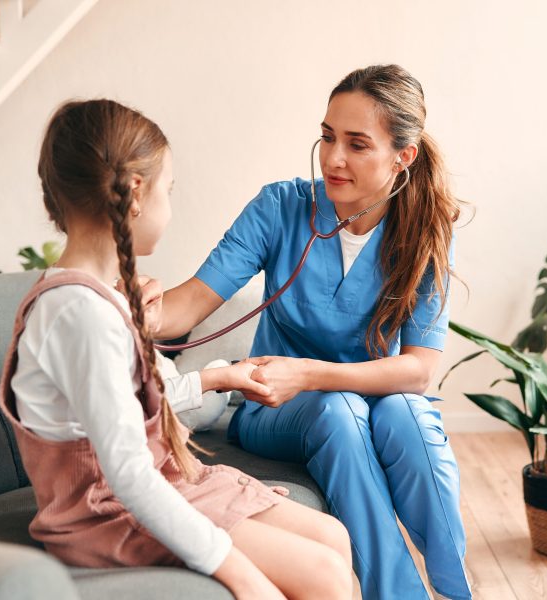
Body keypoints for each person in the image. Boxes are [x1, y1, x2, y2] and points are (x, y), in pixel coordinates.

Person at [0, 99, 353, 600]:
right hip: (106, 515)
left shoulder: (95, 299)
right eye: (170, 189)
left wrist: (218, 382)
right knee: (325, 574)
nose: (171, 204)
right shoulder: (79, 315)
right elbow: (130, 479)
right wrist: (240, 571)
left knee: (332, 538)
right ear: (136, 193)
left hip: (145, 488)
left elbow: (140, 399)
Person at [157, 65, 472, 600]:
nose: (333, 158)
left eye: (356, 144)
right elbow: (186, 306)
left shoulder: (423, 231)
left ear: (404, 155)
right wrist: (103, 304)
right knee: (338, 411)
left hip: (373, 403)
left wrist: (309, 374)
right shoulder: (279, 208)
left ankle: (454, 588)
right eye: (327, 137)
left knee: (407, 415)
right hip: (271, 410)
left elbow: (419, 369)